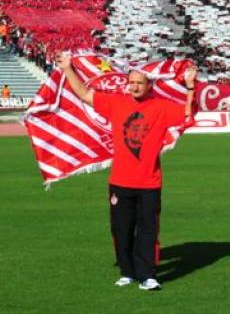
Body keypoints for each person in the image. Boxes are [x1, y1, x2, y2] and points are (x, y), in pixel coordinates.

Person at [55, 52, 197, 291]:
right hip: (120, 181)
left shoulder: (161, 107)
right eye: (132, 82)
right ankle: (128, 271)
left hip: (149, 182)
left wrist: (191, 86)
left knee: (148, 230)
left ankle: (147, 275)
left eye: (140, 83)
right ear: (126, 83)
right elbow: (84, 94)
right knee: (121, 230)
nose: (135, 87)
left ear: (149, 84)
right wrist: (68, 68)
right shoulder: (116, 102)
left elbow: (187, 114)